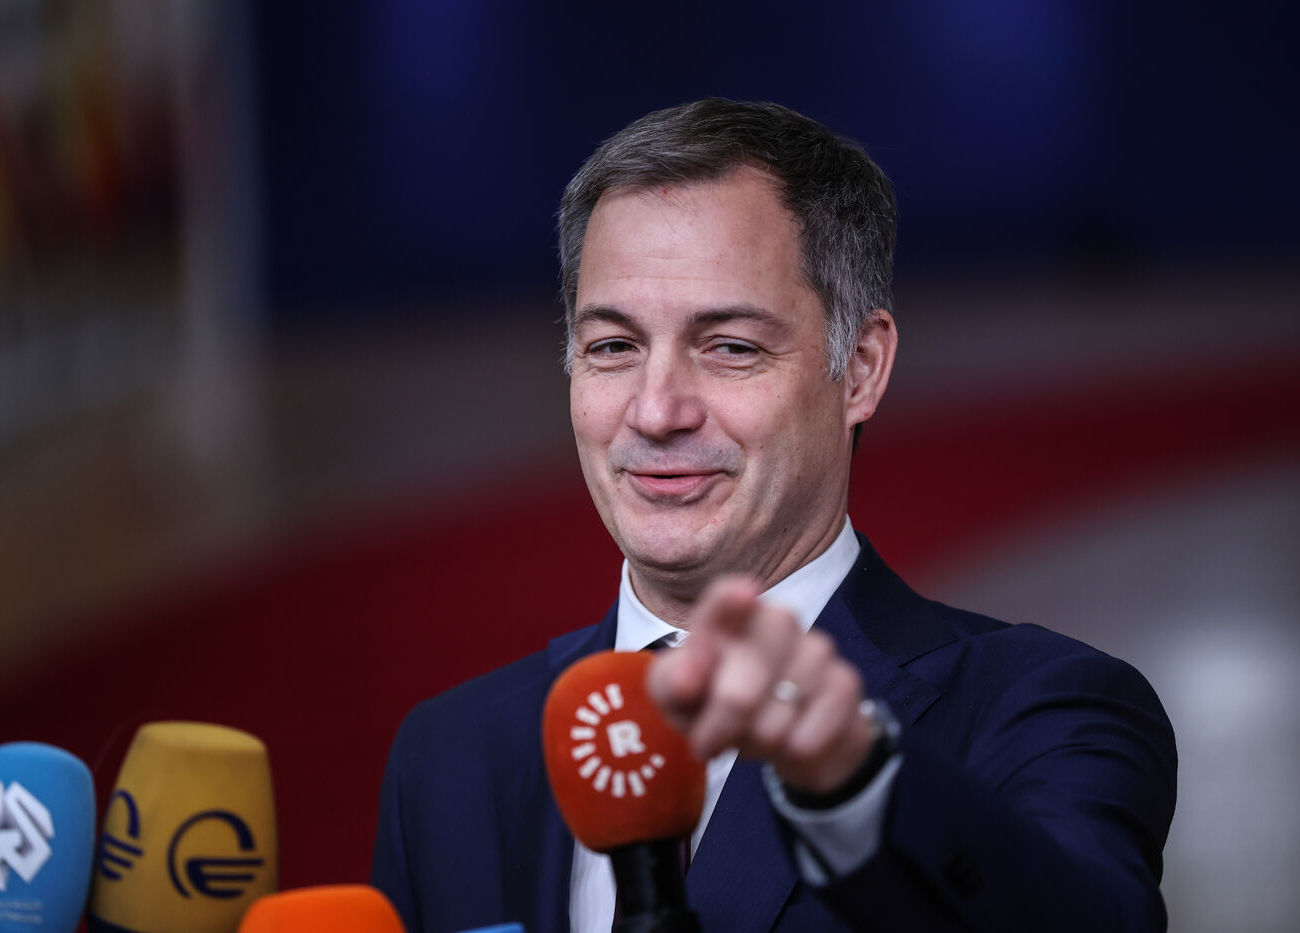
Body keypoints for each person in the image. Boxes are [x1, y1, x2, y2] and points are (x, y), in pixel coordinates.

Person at [371, 99, 1176, 932]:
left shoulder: (1042, 707)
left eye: (730, 346)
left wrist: (855, 781)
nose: (656, 411)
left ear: (860, 369)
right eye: (613, 346)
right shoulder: (450, 753)